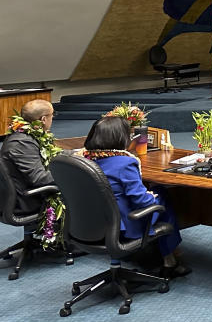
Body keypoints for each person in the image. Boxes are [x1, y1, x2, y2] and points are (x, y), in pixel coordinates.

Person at [82, 116, 188, 277]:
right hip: (124, 224)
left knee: (158, 193)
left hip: (93, 223)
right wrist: (152, 195)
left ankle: (167, 258)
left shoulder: (86, 160)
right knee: (162, 196)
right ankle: (169, 260)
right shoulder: (123, 163)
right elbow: (142, 202)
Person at [0, 99, 56, 215]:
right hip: (27, 200)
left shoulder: (29, 135)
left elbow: (51, 153)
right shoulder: (22, 143)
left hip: (26, 190)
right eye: (52, 115)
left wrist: (77, 154)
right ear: (43, 119)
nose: (53, 118)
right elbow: (40, 179)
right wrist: (71, 174)